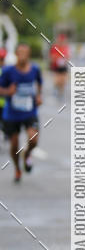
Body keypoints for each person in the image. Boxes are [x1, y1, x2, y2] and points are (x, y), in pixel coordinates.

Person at [0, 44, 43, 182]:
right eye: (20, 53)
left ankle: (27, 154)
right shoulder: (8, 71)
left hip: (29, 111)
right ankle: (17, 169)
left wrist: (39, 96)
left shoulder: (35, 69)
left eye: (25, 53)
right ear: (16, 54)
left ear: (29, 55)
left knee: (34, 139)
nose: (23, 55)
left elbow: (39, 84)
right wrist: (8, 92)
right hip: (12, 114)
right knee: (14, 144)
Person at [49, 33, 70, 100]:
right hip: (56, 66)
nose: (61, 42)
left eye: (62, 40)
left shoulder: (65, 47)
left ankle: (61, 93)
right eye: (60, 40)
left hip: (63, 66)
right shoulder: (55, 47)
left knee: (63, 80)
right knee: (57, 80)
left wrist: (65, 59)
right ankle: (55, 90)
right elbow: (52, 57)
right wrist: (57, 59)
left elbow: (67, 56)